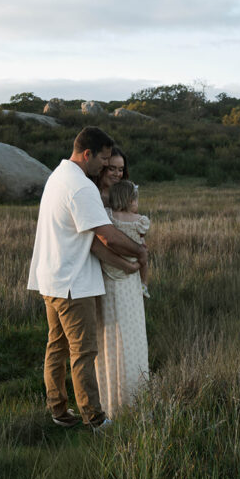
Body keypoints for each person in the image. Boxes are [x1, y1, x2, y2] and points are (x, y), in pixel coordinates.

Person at [27, 127, 148, 431]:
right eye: (103, 159)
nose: (105, 165)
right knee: (84, 352)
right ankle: (95, 418)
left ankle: (58, 410)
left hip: (51, 277)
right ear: (87, 154)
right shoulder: (81, 187)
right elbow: (106, 236)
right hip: (72, 281)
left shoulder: (58, 175)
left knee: (57, 347)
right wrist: (139, 253)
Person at [95, 180, 150, 417]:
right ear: (130, 200)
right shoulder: (139, 221)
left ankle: (108, 399)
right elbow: (142, 245)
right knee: (131, 333)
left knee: (109, 334)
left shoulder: (107, 216)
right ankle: (133, 398)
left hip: (108, 275)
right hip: (130, 280)